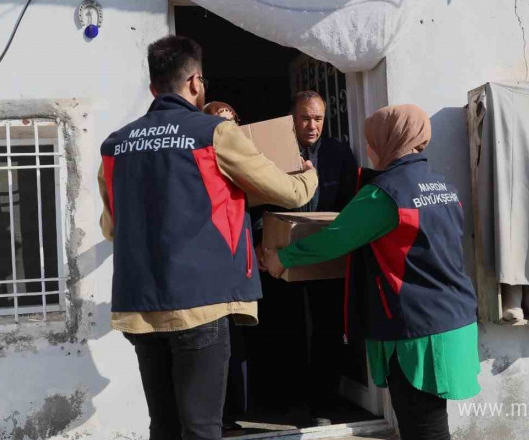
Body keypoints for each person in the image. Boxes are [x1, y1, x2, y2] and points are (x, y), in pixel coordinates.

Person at [98, 35, 318, 440]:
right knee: (201, 428)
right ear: (196, 82)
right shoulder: (214, 134)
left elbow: (111, 226)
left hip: (139, 305)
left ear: (153, 88)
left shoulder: (115, 146)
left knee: (163, 426)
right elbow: (286, 192)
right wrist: (308, 175)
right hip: (201, 303)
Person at [264, 104, 481, 440]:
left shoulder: (385, 195)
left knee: (422, 426)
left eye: (371, 140)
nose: (367, 148)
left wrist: (284, 258)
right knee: (432, 421)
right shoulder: (444, 186)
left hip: (416, 331)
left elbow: (335, 239)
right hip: (453, 318)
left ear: (390, 140)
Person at [248, 90, 357, 426]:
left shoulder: (339, 153)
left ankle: (324, 401)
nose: (312, 125)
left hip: (325, 254)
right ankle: (286, 398)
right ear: (292, 119)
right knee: (284, 325)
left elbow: (352, 203)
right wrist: (257, 244)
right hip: (280, 255)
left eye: (318, 118)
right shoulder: (271, 152)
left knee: (327, 326)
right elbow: (255, 203)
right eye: (305, 118)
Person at [202, 100, 248, 434]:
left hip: (241, 268)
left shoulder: (246, 160)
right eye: (220, 123)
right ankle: (215, 420)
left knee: (236, 346)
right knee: (211, 348)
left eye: (231, 123)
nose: (226, 130)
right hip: (205, 273)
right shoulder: (194, 163)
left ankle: (233, 413)